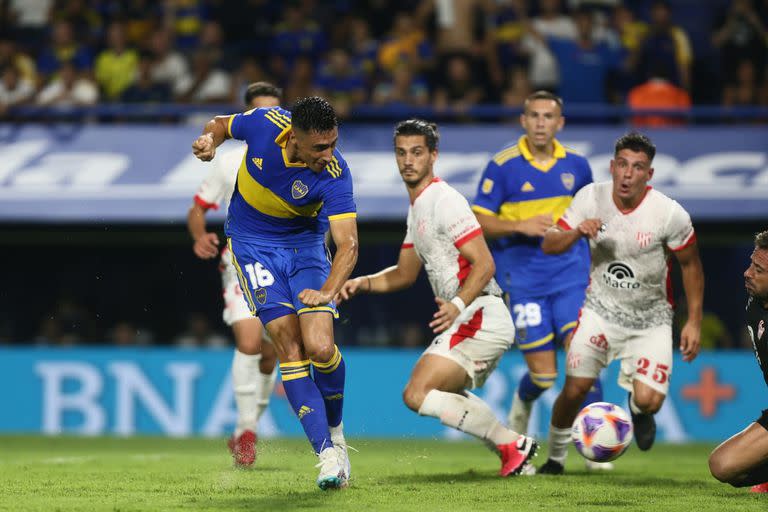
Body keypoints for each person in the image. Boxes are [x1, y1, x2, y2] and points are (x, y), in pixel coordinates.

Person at [336, 119, 538, 477]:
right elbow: (403, 273)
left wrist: (457, 305)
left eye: (416, 152)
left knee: (417, 393)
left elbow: (485, 264)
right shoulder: (418, 209)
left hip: (479, 313)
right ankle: (513, 451)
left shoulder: (444, 200)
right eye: (401, 153)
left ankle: (511, 443)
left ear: (433, 156)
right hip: (470, 315)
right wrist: (362, 282)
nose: (407, 161)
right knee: (432, 394)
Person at [191, 96, 358, 490]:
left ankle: (336, 433)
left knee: (320, 346)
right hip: (252, 246)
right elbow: (219, 123)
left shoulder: (335, 172)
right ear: (294, 137)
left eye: (333, 143)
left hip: (305, 248)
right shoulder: (264, 123)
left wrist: (329, 291)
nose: (329, 154)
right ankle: (326, 456)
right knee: (286, 342)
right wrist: (209, 142)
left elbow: (348, 245)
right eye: (320, 147)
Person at [537, 132, 704, 474]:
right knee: (575, 389)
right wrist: (576, 232)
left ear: (649, 175)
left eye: (638, 167)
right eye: (623, 165)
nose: (628, 174)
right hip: (600, 312)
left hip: (651, 319)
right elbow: (550, 245)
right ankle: (554, 459)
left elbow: (691, 265)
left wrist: (694, 321)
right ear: (612, 167)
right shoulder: (590, 198)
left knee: (648, 399)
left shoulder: (669, 214)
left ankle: (639, 411)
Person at [471, 90, 606, 468]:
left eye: (549, 116)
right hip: (525, 280)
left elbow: (589, 219)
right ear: (523, 120)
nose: (541, 122)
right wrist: (520, 225)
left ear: (560, 123)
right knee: (544, 377)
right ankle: (524, 401)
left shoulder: (578, 167)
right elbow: (478, 219)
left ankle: (594, 445)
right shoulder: (502, 166)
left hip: (571, 277)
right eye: (534, 115)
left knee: (583, 357)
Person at [187, 82, 281, 467]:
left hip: (281, 267)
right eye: (260, 112)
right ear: (245, 116)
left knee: (271, 354)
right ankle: (247, 434)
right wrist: (199, 237)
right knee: (249, 341)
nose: (270, 121)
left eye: (276, 112)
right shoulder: (229, 161)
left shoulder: (294, 156)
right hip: (240, 264)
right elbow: (198, 208)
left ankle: (247, 428)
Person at [709, 231, 768, 493]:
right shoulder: (754, 305)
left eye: (758, 269)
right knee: (723, 465)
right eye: (750, 264)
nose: (747, 273)